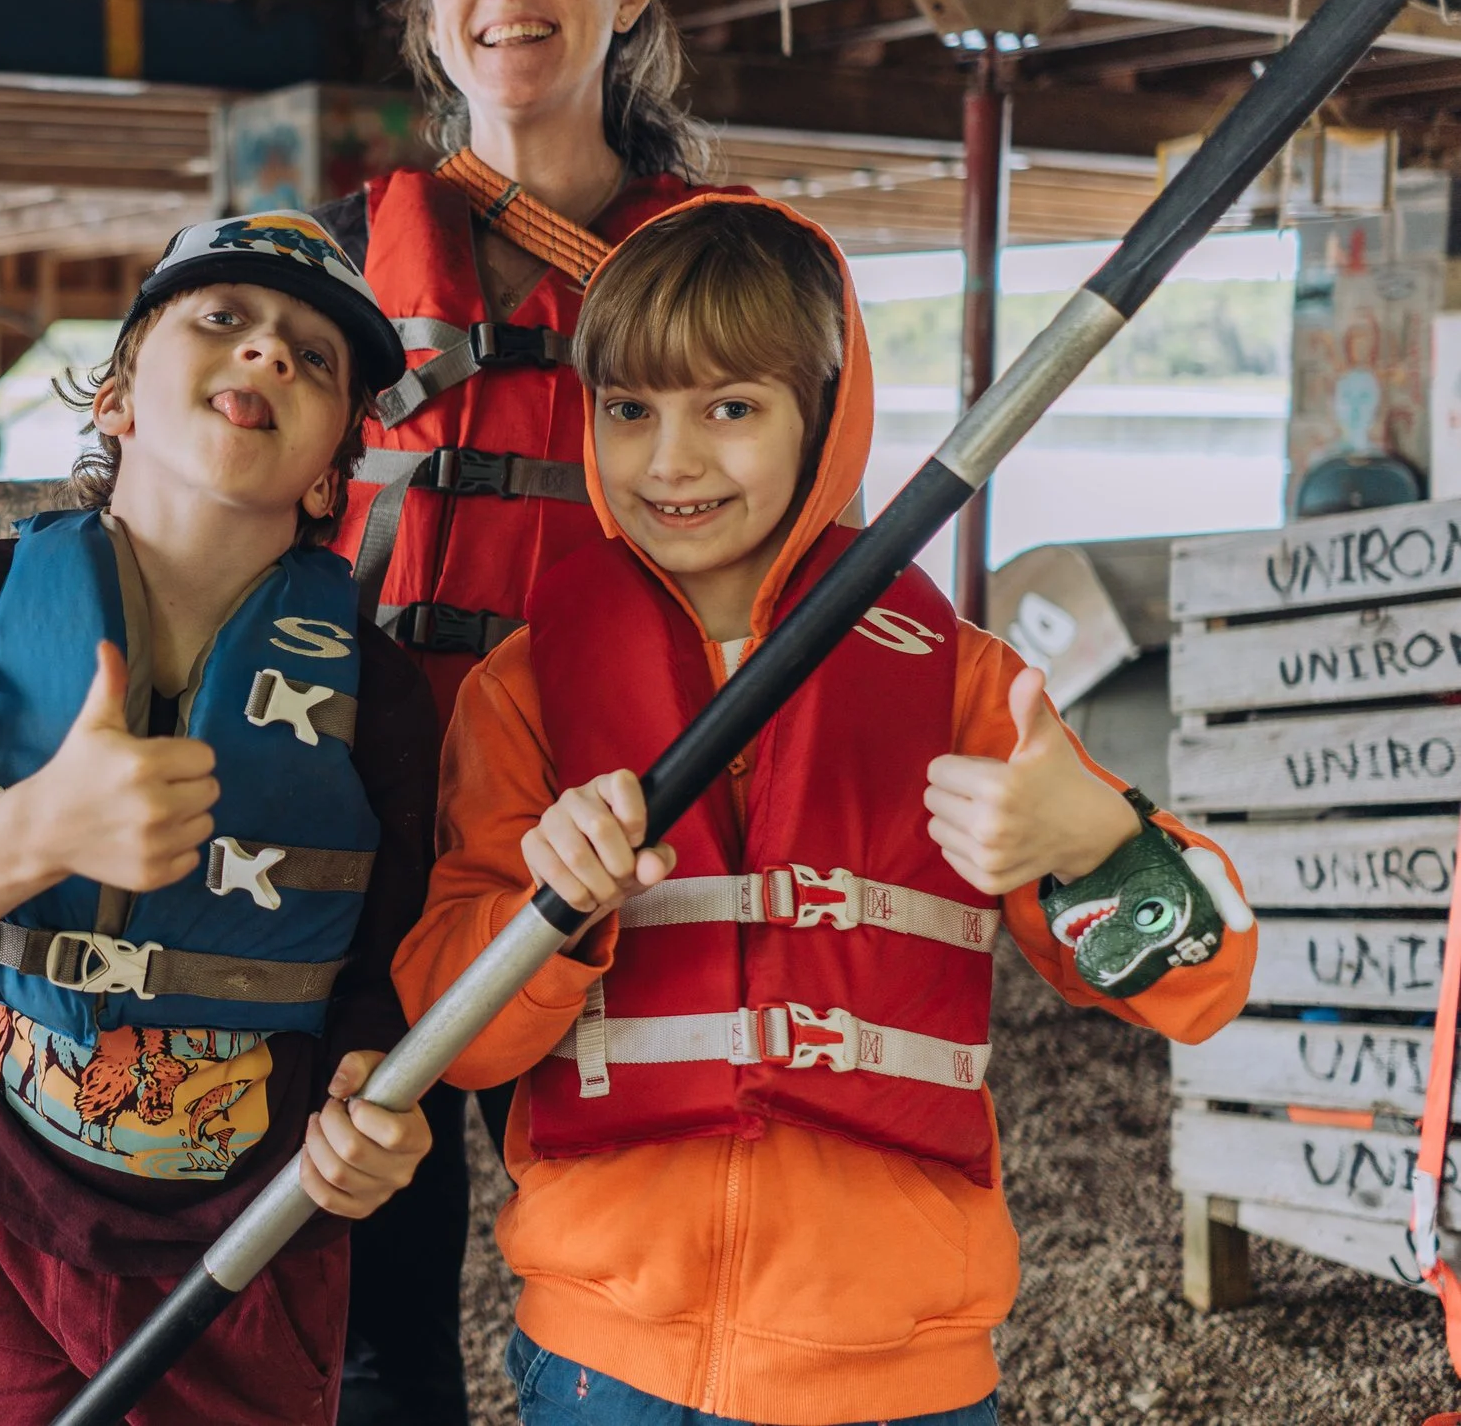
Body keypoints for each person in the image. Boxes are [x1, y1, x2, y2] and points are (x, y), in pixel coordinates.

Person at [0, 0, 744, 1419]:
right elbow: (142, 514)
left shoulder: (701, 271)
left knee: (631, 1257)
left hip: (573, 835)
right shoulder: (349, 260)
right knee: (375, 1277)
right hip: (346, 847)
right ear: (430, 6)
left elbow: (771, 545)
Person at [393, 194, 1260, 1426]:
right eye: (630, 408)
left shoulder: (967, 686)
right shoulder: (520, 690)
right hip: (606, 1364)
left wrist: (1098, 845)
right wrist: (548, 914)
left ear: (825, 417)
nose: (669, 460)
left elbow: (1210, 984)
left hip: (903, 1373)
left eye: (730, 408)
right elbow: (453, 1028)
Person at [0, 211, 437, 1425]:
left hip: (253, 1253)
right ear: (119, 397)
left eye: (314, 355)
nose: (269, 355)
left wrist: (375, 1105)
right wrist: (33, 831)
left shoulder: (382, 692)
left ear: (326, 472)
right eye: (222, 320)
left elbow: (383, 989)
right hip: (10, 1235)